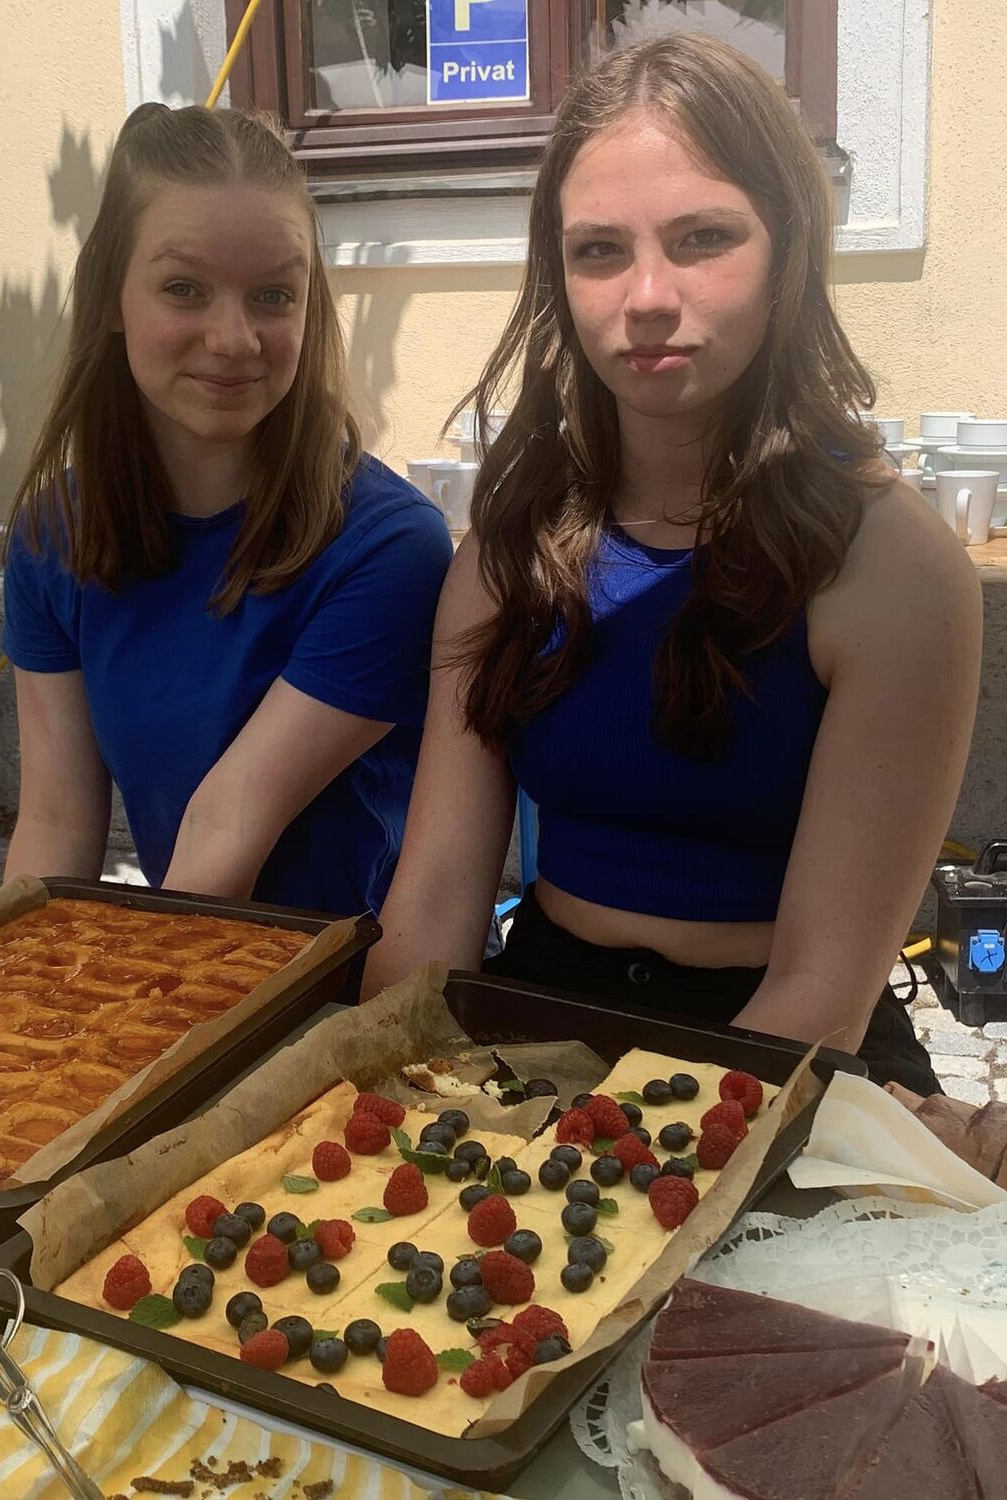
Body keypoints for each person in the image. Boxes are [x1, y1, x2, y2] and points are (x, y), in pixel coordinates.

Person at [363, 36, 982, 1093]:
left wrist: (595, 1163)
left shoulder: (890, 569)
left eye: (703, 238)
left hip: (784, 1057)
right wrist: (360, 1085)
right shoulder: (511, 553)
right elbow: (431, 910)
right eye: (599, 250)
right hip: (543, 1013)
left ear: (788, 251)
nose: (647, 294)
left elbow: (821, 993)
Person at [2, 104, 452, 916]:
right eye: (185, 289)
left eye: (274, 295)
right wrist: (4, 982)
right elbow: (55, 822)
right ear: (108, 295)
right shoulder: (50, 538)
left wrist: (125, 992)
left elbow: (227, 829)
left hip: (356, 980)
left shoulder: (389, 548)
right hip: (184, 941)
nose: (234, 338)